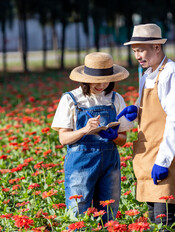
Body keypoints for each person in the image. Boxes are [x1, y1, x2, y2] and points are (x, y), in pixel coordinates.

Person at [51, 52, 137, 222]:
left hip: (109, 163)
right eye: (97, 81)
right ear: (85, 78)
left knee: (109, 210)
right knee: (78, 213)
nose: (102, 85)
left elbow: (123, 139)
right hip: (80, 163)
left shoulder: (115, 99)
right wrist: (84, 130)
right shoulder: (71, 99)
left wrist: (114, 136)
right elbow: (63, 138)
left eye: (106, 80)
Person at [123, 23, 175, 231]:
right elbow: (155, 107)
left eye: (142, 50)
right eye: (135, 51)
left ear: (157, 47)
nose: (138, 56)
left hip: (165, 152)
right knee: (153, 216)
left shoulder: (173, 74)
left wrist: (164, 161)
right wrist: (135, 110)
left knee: (164, 220)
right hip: (147, 151)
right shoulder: (147, 75)